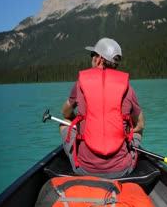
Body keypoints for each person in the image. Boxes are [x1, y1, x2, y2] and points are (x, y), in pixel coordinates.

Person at [59, 37, 145, 178]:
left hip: (84, 170)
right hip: (122, 171)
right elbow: (140, 125)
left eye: (92, 55)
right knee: (137, 132)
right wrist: (123, 132)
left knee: (64, 123)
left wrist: (81, 123)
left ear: (98, 59)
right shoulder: (128, 88)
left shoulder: (80, 84)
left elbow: (65, 112)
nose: (92, 58)